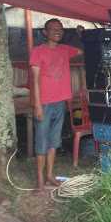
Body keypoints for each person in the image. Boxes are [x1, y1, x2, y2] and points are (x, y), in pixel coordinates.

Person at [30, 18, 82, 191]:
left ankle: (50, 175)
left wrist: (78, 34)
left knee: (54, 141)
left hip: (60, 103)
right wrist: (37, 105)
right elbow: (35, 80)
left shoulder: (65, 50)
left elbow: (81, 51)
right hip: (44, 104)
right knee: (41, 142)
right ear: (45, 32)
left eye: (60, 29)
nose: (58, 32)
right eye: (53, 29)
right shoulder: (38, 51)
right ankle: (39, 180)